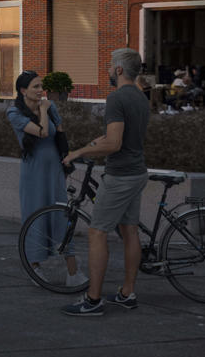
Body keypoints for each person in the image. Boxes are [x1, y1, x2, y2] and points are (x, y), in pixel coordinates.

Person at [62, 47, 151, 315]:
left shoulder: (116, 98)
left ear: (120, 70)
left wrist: (82, 152)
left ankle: (92, 300)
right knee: (129, 231)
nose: (107, 69)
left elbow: (113, 142)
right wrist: (82, 149)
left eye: (110, 65)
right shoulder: (140, 97)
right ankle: (127, 293)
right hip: (137, 172)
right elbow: (116, 138)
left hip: (120, 175)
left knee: (97, 232)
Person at [8, 71, 74, 279]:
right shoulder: (14, 113)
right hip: (33, 172)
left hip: (54, 168)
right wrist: (43, 110)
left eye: (41, 86)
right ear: (23, 90)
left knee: (62, 215)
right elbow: (42, 132)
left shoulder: (50, 107)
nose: (40, 91)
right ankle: (35, 268)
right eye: (35, 87)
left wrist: (67, 157)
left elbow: (60, 132)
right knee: (34, 216)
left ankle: (74, 273)